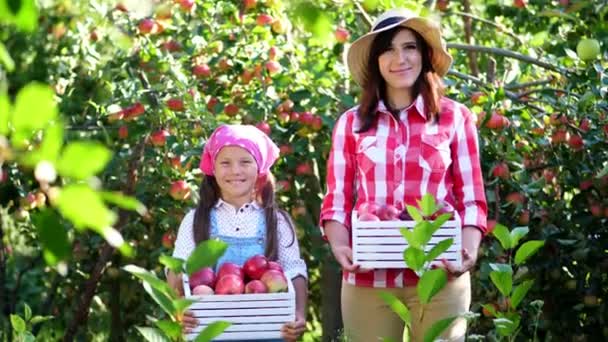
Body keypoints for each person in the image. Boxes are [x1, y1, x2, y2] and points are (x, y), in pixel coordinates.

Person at [320, 8, 488, 342]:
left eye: (409, 47)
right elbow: (337, 200)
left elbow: (472, 197)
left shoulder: (455, 118)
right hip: (369, 279)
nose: (400, 58)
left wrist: (467, 249)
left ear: (424, 55)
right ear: (376, 61)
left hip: (440, 275)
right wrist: (340, 245)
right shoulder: (351, 124)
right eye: (388, 49)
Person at [167, 124, 307, 342]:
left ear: (259, 167)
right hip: (212, 333)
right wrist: (179, 309)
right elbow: (178, 269)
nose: (235, 171)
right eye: (225, 163)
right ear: (213, 169)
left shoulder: (276, 221)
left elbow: (294, 271)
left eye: (245, 162)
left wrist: (298, 314)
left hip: (267, 333)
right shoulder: (196, 220)